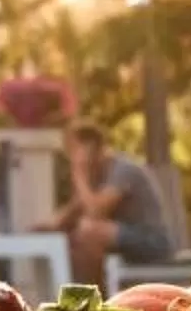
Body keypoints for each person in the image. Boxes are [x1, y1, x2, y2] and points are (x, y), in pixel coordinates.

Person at [49, 123, 175, 287]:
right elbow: (72, 212)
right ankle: (77, 292)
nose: (71, 157)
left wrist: (79, 175)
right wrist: (48, 227)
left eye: (74, 149)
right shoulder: (97, 175)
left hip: (153, 242)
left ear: (91, 147)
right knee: (75, 236)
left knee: (89, 231)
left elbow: (95, 211)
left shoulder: (122, 170)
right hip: (126, 243)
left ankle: (96, 300)